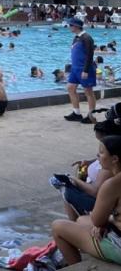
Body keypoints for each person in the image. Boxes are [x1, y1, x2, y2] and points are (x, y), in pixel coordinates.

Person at [52, 135, 121, 266]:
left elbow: (97, 220)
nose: (98, 156)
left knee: (57, 227)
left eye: (101, 152)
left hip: (119, 245)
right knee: (81, 220)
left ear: (115, 159)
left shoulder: (112, 184)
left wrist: (109, 221)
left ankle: (77, 267)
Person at [65, 17, 98, 124]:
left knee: (88, 91)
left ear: (76, 26)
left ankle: (91, 116)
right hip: (75, 69)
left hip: (85, 69)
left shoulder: (87, 38)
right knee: (70, 88)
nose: (69, 27)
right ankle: (76, 113)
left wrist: (86, 70)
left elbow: (90, 55)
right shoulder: (76, 38)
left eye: (70, 25)